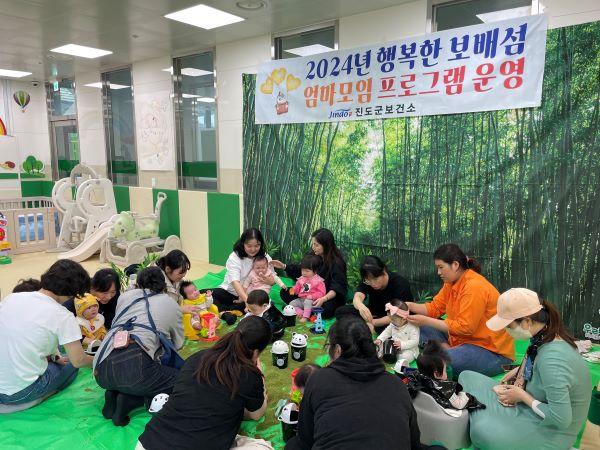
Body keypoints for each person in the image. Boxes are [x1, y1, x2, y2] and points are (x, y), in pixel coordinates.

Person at [459, 288, 592, 450]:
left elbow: (561, 420)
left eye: (508, 326)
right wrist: (521, 370)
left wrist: (522, 396)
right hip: (533, 407)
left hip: (552, 432)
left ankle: (486, 420)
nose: (505, 330)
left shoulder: (552, 359)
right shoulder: (545, 337)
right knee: (467, 376)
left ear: (527, 322)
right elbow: (543, 365)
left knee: (481, 432)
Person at [136, 316, 274, 450]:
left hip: (149, 442)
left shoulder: (197, 357)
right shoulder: (249, 375)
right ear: (256, 352)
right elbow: (255, 414)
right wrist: (259, 375)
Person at [285, 315, 421, 450]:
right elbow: (414, 442)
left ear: (337, 350)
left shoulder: (318, 380)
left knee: (293, 445)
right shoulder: (396, 384)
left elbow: (305, 439)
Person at [93, 267, 184, 426]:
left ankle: (114, 393)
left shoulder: (125, 297)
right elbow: (178, 344)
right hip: (135, 368)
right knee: (183, 380)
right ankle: (131, 400)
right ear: (163, 285)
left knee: (134, 375)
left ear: (138, 284)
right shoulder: (170, 303)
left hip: (100, 370)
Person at [406, 244, 514, 377]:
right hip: (460, 340)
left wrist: (425, 320)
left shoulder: (474, 287)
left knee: (436, 362)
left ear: (455, 265)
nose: (438, 272)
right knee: (421, 327)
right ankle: (449, 351)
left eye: (441, 267)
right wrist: (408, 306)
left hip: (489, 350)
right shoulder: (450, 282)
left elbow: (466, 328)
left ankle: (448, 354)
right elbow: (434, 308)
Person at [0, 260, 93, 411]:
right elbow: (78, 360)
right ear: (72, 292)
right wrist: (98, 362)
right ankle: (41, 396)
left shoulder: (12, 298)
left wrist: (54, 356)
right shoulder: (62, 315)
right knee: (71, 366)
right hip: (20, 393)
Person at [273, 228, 347, 320]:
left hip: (326, 296)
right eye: (313, 244)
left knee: (326, 310)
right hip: (306, 294)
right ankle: (306, 310)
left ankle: (300, 310)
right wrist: (284, 266)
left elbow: (337, 286)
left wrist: (323, 299)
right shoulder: (312, 255)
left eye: (316, 245)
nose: (313, 247)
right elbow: (302, 270)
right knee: (285, 292)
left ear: (326, 245)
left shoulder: (337, 263)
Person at [337, 255, 413, 332]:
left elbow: (399, 315)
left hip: (393, 317)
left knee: (391, 331)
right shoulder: (367, 280)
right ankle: (363, 325)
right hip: (374, 313)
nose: (372, 284)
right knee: (341, 311)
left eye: (375, 279)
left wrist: (373, 322)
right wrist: (360, 306)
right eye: (368, 280)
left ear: (383, 271)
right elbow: (358, 296)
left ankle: (363, 325)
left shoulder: (400, 284)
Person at [212, 228, 279, 312]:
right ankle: (229, 310)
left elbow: (273, 280)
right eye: (249, 246)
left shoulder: (264, 257)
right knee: (208, 294)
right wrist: (247, 301)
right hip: (231, 293)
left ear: (261, 244)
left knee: (260, 303)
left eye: (257, 246)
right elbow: (235, 282)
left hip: (253, 296)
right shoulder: (234, 257)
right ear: (243, 243)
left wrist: (269, 281)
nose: (253, 249)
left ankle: (228, 310)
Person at [374, 299, 420, 365]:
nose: (391, 321)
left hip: (408, 349)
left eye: (393, 320)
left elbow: (415, 341)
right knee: (380, 346)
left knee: (406, 356)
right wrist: (380, 339)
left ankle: (399, 360)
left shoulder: (412, 327)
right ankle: (380, 355)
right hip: (394, 345)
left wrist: (402, 345)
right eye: (390, 319)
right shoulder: (393, 324)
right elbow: (386, 332)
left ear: (403, 319)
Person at [288, 254, 326, 323]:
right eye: (302, 270)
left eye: (307, 271)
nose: (304, 273)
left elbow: (322, 293)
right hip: (301, 300)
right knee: (291, 304)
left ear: (315, 271)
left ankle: (305, 317)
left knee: (307, 302)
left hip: (312, 301)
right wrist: (293, 290)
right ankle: (302, 313)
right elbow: (297, 288)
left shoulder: (318, 281)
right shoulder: (301, 279)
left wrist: (312, 296)